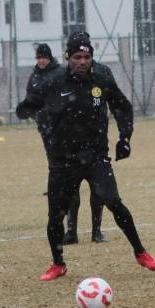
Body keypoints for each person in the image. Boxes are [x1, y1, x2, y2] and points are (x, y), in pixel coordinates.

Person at [16, 32, 155, 281]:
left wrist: (124, 137)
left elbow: (121, 106)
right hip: (63, 161)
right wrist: (31, 111)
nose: (83, 62)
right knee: (55, 215)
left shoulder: (102, 76)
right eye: (77, 57)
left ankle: (141, 252)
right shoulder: (52, 82)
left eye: (87, 57)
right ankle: (58, 263)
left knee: (113, 201)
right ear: (67, 57)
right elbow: (27, 108)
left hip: (96, 156)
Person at [27, 43, 107, 244]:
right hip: (55, 136)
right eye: (39, 57)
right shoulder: (36, 77)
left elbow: (95, 104)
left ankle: (96, 230)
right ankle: (71, 230)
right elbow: (32, 99)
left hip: (86, 140)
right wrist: (40, 116)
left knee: (98, 187)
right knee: (68, 185)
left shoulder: (68, 75)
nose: (42, 60)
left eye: (44, 57)